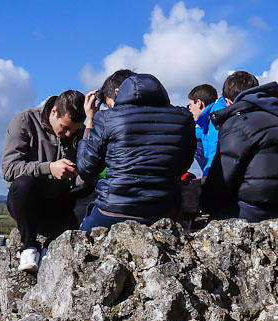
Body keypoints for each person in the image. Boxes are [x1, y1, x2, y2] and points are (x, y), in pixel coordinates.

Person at [76, 72, 196, 231]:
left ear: (118, 93)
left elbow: (86, 169)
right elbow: (184, 164)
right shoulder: (184, 117)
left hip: (113, 210)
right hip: (164, 210)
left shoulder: (107, 118)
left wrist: (90, 121)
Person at [201, 71, 278, 222]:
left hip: (249, 212)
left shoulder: (237, 124)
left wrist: (204, 204)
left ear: (228, 101)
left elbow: (222, 179)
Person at [2, 90, 87, 273]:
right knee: (23, 184)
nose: (67, 133)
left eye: (73, 130)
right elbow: (9, 169)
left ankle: (52, 244)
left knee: (94, 190)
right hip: (29, 205)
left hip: (61, 206)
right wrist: (49, 168)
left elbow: (85, 176)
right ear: (54, 111)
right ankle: (29, 247)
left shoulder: (79, 132)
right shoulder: (24, 121)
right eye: (65, 127)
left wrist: (77, 172)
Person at [187, 83, 224, 176]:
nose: (190, 109)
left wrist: (207, 175)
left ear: (199, 103)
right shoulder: (207, 120)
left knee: (193, 144)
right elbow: (200, 133)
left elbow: (215, 149)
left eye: (190, 105)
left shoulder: (215, 117)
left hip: (221, 168)